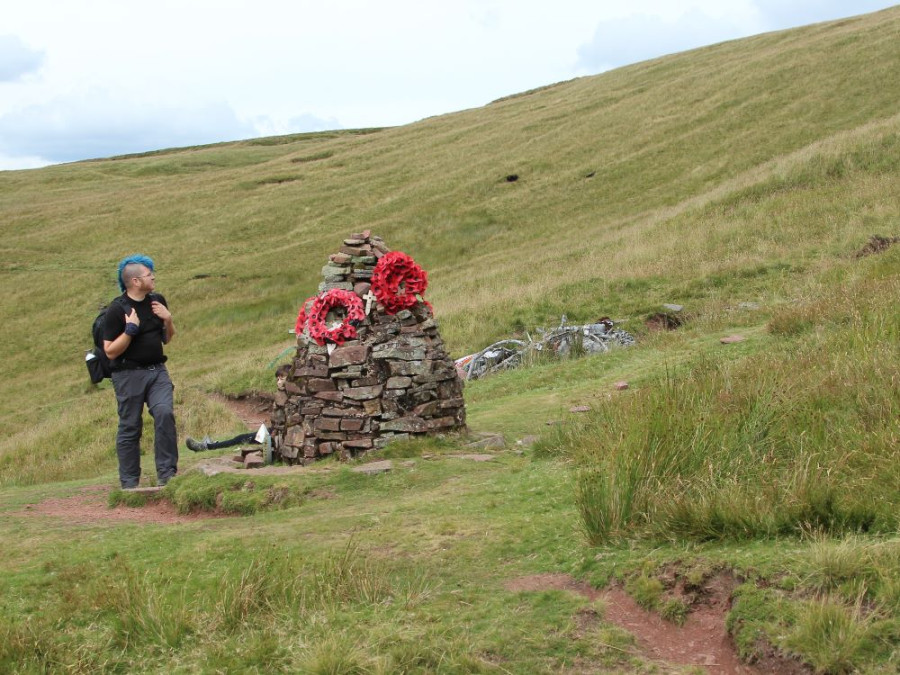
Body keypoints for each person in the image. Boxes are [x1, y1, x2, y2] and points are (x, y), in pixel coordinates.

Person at [102, 255, 178, 489]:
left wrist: (168, 320)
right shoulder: (116, 310)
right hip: (128, 375)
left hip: (158, 372)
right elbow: (110, 352)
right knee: (130, 425)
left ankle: (167, 475)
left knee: (164, 413)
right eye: (148, 274)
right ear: (135, 281)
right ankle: (129, 483)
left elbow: (167, 339)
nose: (153, 277)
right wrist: (129, 331)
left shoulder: (157, 301)